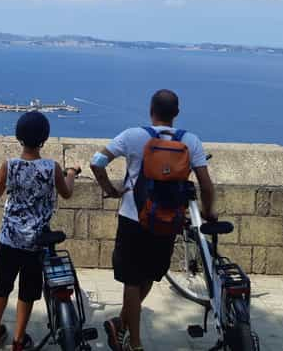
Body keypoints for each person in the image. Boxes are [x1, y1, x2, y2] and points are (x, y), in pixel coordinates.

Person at [89, 89, 216, 351]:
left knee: (131, 281)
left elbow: (97, 161)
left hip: (133, 218)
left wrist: (109, 189)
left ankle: (133, 342)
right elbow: (205, 183)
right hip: (168, 219)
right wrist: (208, 211)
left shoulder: (133, 136)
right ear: (177, 113)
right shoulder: (190, 141)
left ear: (150, 110)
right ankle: (123, 327)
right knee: (149, 275)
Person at [0, 111, 81, 351]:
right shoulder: (52, 167)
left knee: (2, 286)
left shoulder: (9, 166)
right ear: (44, 138)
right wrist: (71, 174)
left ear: (19, 136)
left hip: (9, 240)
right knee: (27, 292)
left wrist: (1, 179)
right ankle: (19, 340)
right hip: (36, 242)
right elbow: (67, 193)